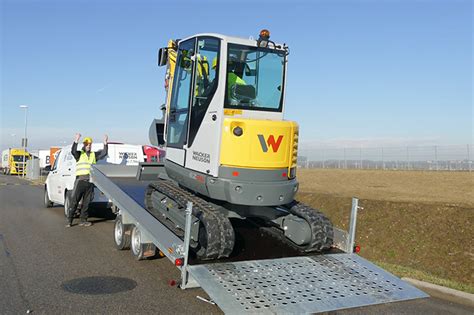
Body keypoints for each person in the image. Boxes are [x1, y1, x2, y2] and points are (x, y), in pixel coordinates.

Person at [66, 133, 108, 227]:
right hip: (80, 181)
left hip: (90, 182)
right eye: (86, 144)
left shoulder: (93, 155)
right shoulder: (79, 154)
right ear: (84, 145)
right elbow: (73, 151)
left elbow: (104, 153)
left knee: (86, 203)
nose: (88, 146)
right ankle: (69, 221)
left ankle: (83, 220)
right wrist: (76, 140)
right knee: (74, 201)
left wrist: (105, 143)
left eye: (89, 145)